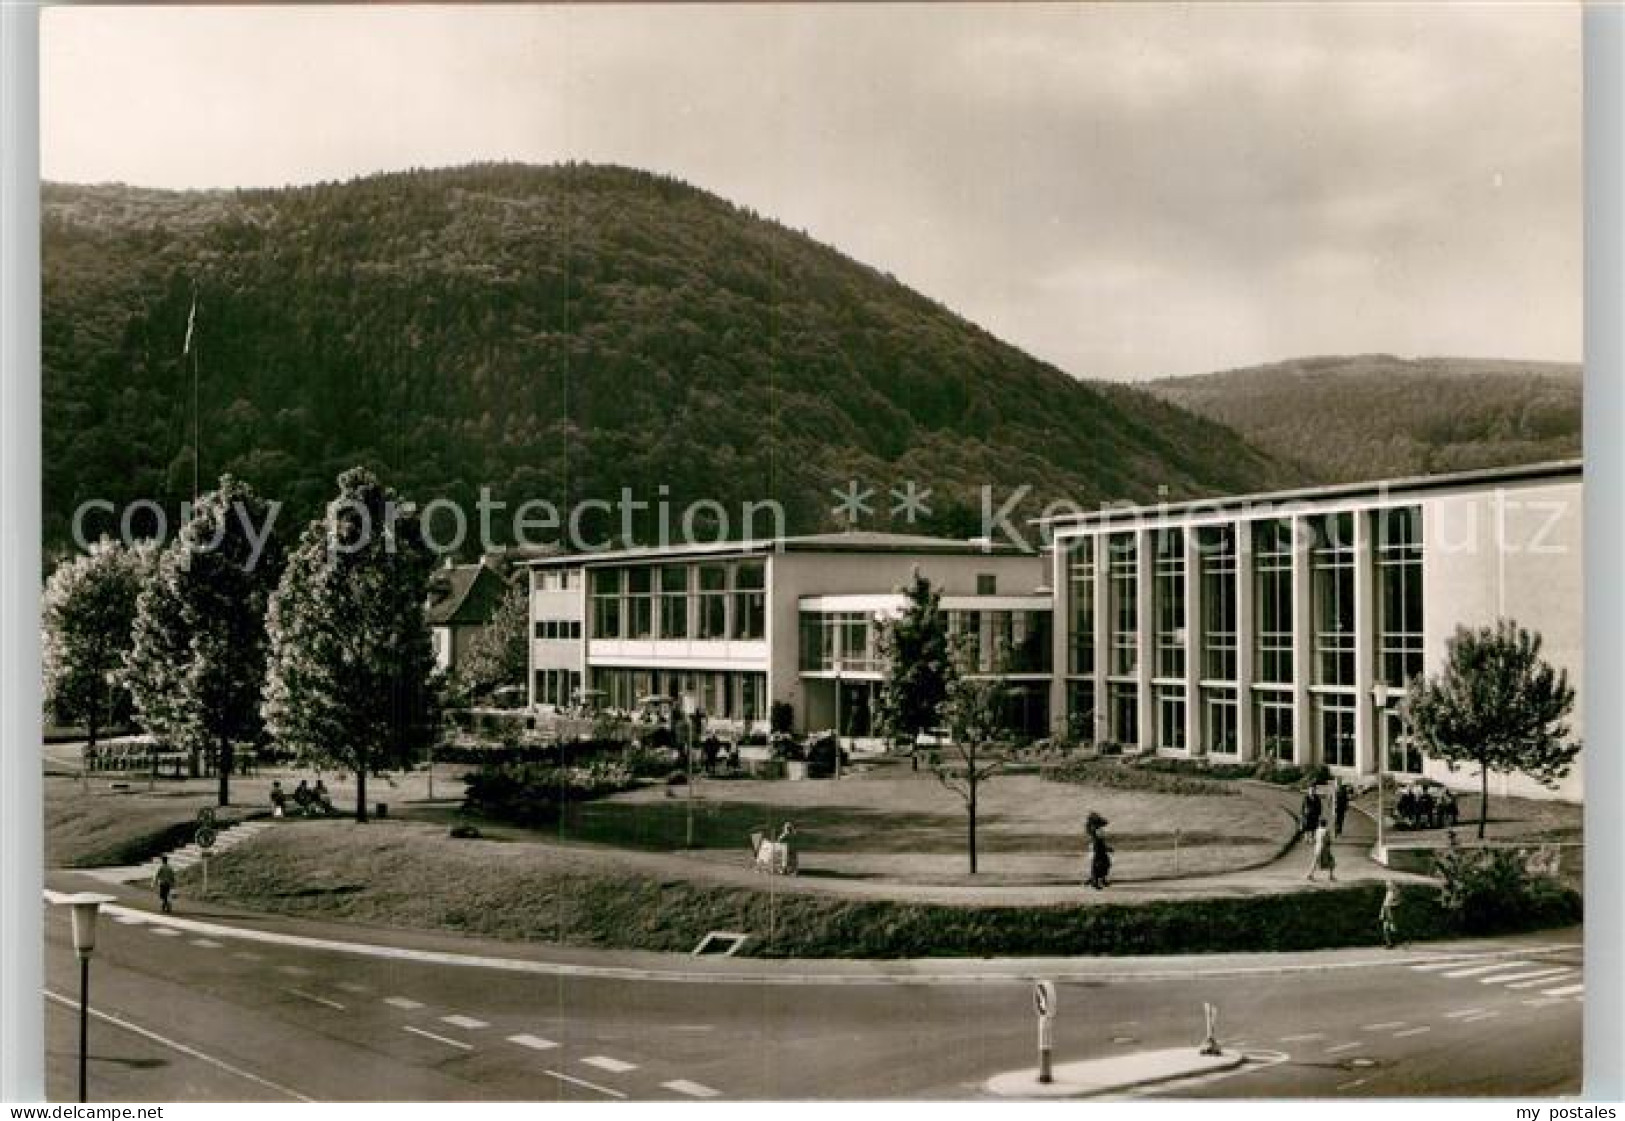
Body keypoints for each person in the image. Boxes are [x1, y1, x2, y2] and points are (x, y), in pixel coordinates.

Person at [1086, 812, 1112, 890]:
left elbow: (1105, 822)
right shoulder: (1095, 829)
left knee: (1104, 864)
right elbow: (1099, 842)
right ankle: (1095, 882)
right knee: (1099, 865)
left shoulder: (1095, 828)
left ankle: (1099, 880)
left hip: (1097, 848)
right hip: (1097, 849)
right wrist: (1106, 848)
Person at [1379, 879, 1401, 948]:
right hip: (1386, 909)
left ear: (1393, 884)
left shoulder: (1396, 891)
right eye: (1387, 883)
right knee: (1385, 927)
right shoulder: (1388, 892)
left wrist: (1392, 905)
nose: (1387, 884)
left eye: (1389, 883)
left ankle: (1395, 942)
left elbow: (1399, 902)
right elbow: (1384, 903)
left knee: (1392, 927)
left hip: (1391, 909)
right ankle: (1389, 944)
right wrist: (1382, 912)